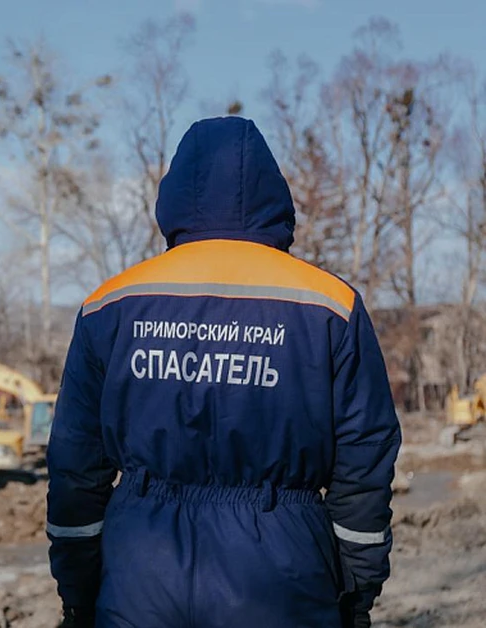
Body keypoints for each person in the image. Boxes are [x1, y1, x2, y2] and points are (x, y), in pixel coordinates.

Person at [46, 116, 401, 628]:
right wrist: (356, 589)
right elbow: (365, 459)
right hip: (281, 578)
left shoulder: (111, 304)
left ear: (174, 196)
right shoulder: (331, 305)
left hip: (141, 570)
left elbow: (75, 462)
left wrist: (79, 589)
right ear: (272, 194)